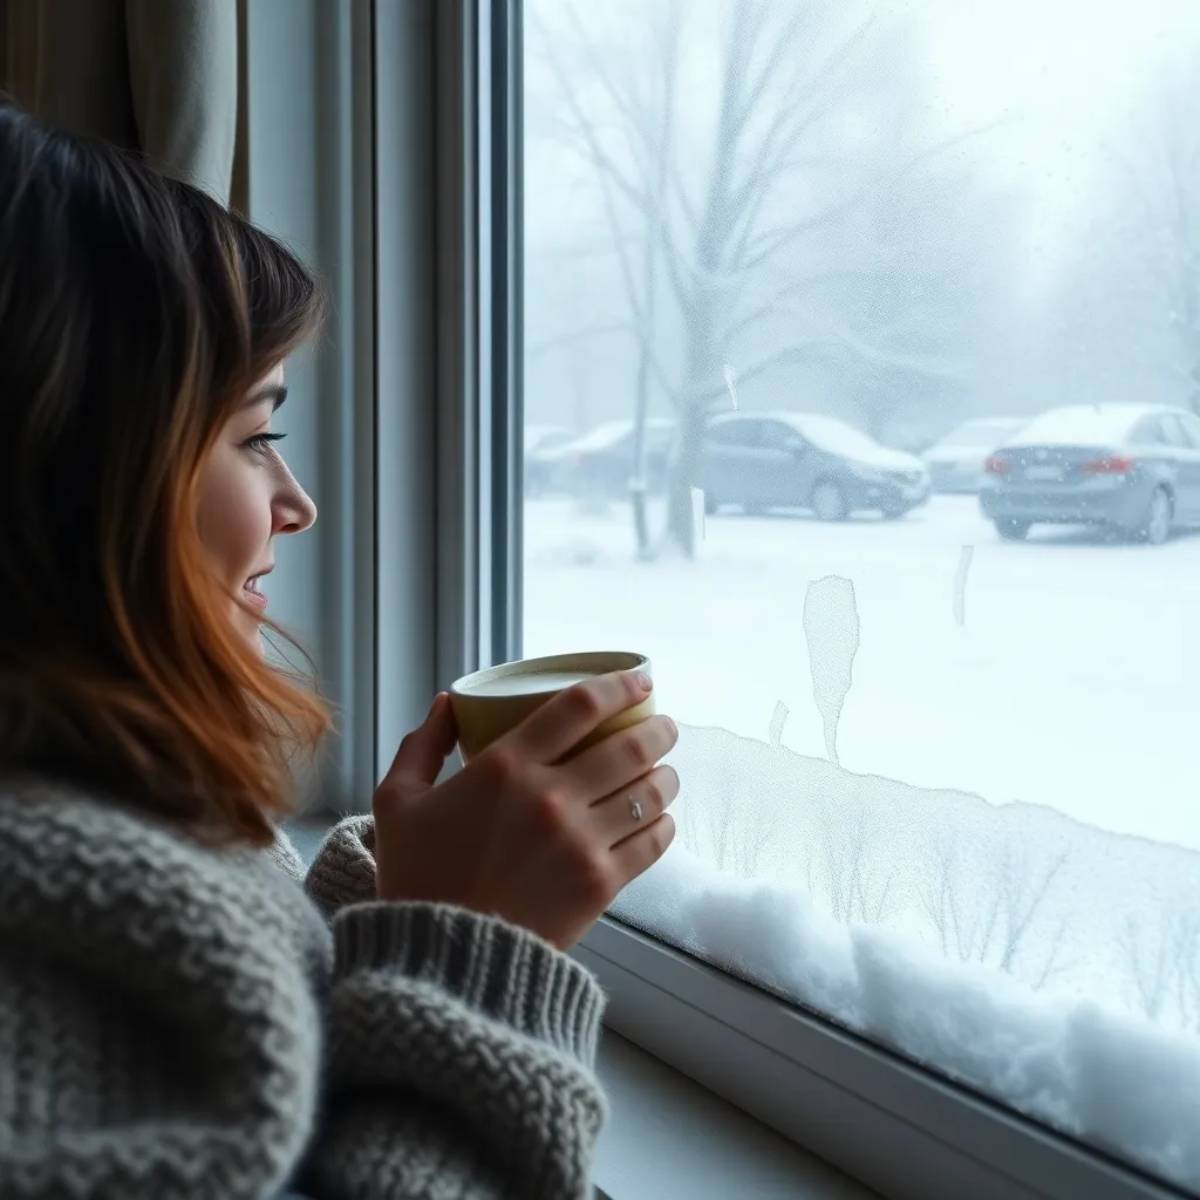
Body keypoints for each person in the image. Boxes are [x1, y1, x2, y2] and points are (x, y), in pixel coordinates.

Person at [0, 101, 680, 1200]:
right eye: (253, 434)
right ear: (62, 473)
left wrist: (389, 907)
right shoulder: (41, 949)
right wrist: (474, 955)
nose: (297, 502)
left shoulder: (114, 815)